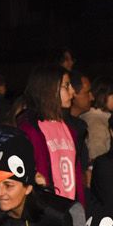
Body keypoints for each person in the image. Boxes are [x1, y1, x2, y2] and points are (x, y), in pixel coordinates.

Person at [16, 65, 84, 203]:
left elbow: (76, 176)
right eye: (66, 86)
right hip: (45, 211)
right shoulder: (30, 128)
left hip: (70, 210)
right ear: (49, 89)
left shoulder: (71, 128)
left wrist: (81, 210)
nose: (72, 92)